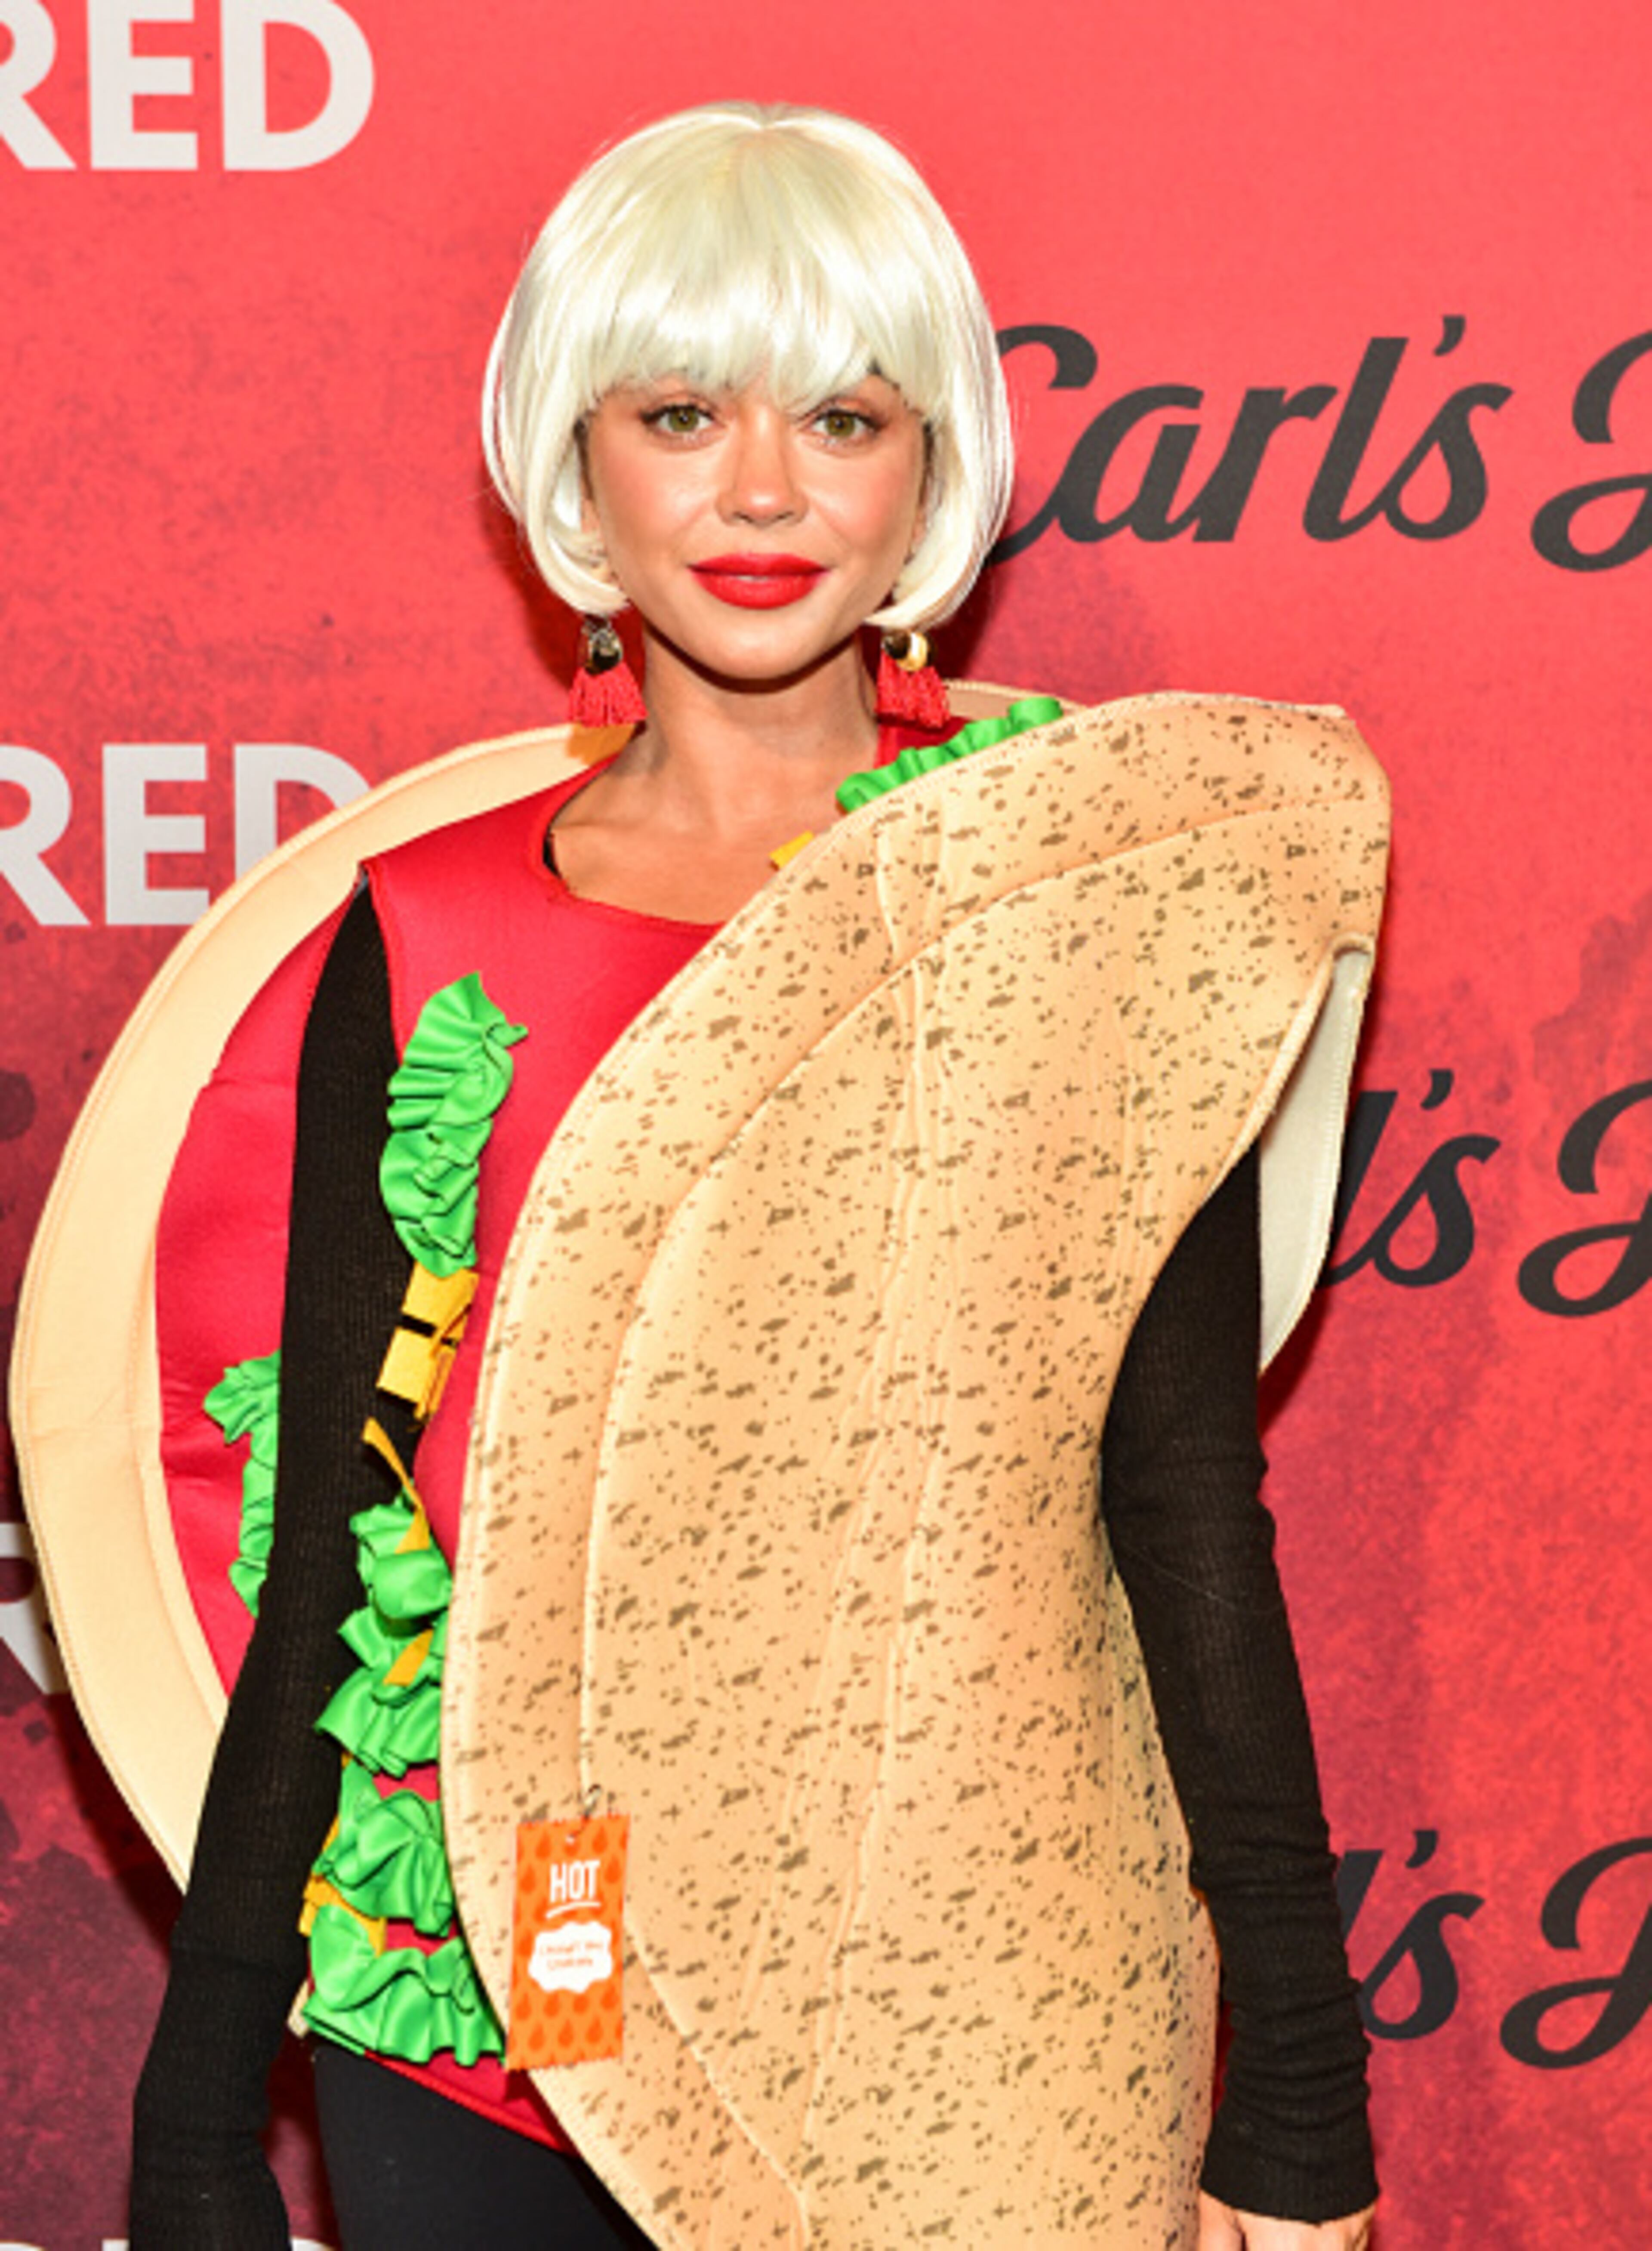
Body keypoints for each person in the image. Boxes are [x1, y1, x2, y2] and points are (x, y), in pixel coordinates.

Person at [123, 101, 1381, 2249]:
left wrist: (1302, 2099)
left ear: (931, 475)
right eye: (685, 411)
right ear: (580, 468)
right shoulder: (423, 936)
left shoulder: (1056, 915)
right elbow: (338, 1539)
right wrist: (194, 2115)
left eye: (845, 414)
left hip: (968, 1996)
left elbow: (1178, 1501)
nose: (767, 489)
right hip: (494, 2034)